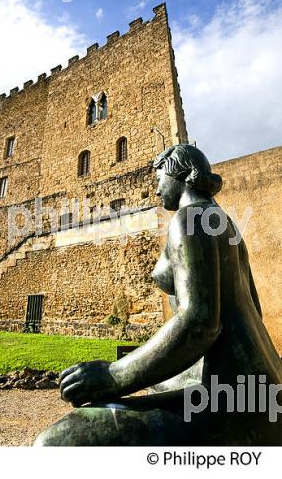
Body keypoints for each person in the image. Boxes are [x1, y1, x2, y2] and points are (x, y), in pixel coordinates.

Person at [34, 144, 282, 446]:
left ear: (178, 175)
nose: (155, 190)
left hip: (230, 408)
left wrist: (113, 375)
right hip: (259, 396)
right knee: (152, 391)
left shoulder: (189, 219)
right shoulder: (226, 225)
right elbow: (250, 313)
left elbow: (200, 323)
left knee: (56, 442)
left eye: (159, 179)